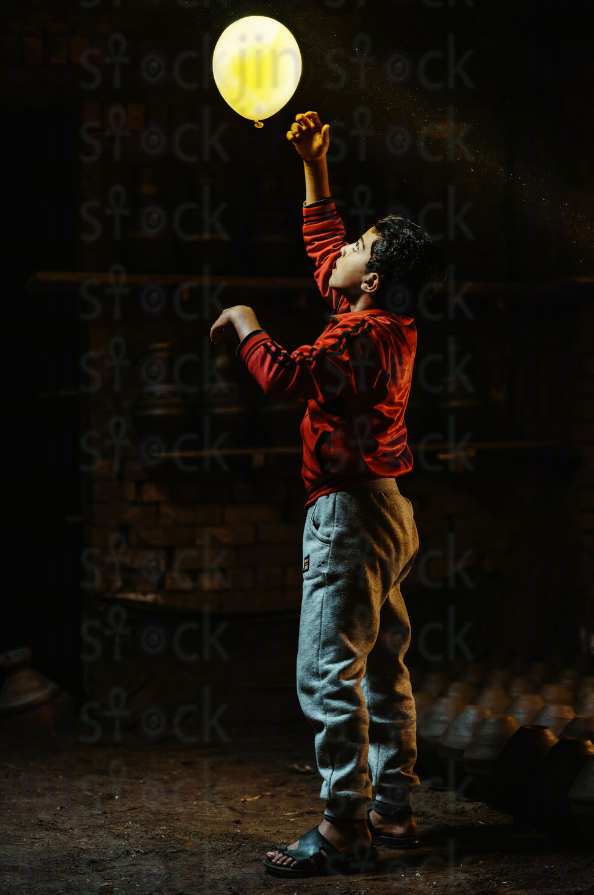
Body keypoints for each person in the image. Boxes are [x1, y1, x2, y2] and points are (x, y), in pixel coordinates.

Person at [210, 111, 447, 879]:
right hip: (390, 508)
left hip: (347, 515)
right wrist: (316, 163)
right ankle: (394, 811)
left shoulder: (351, 339)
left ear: (372, 281)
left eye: (357, 249)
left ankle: (344, 827)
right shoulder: (386, 323)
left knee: (328, 670)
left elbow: (281, 373)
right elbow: (326, 251)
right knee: (383, 664)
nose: (339, 250)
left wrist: (246, 322)